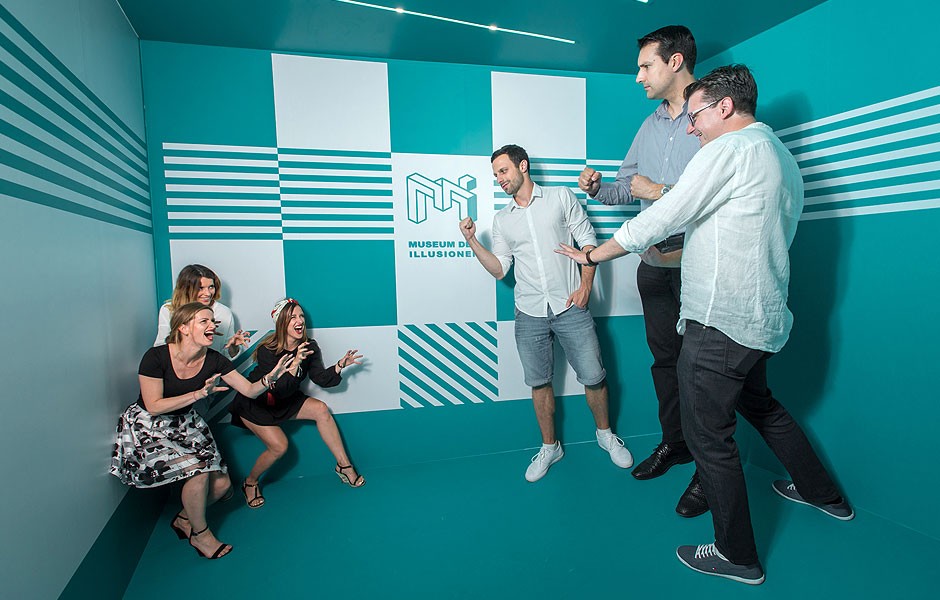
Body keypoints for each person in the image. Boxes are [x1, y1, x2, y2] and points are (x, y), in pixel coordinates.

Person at [556, 65, 853, 585]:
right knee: (761, 405)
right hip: (760, 318)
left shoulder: (728, 149)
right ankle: (822, 494)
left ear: (725, 107)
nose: (690, 128)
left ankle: (737, 556)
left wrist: (593, 254)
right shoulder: (779, 154)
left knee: (707, 435)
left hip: (720, 322)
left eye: (695, 116)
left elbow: (665, 213)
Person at [578, 25, 706, 517]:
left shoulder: (713, 114)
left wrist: (658, 191)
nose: (638, 77)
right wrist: (597, 189)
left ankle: (707, 468)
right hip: (653, 264)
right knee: (665, 362)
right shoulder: (649, 125)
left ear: (675, 62)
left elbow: (713, 196)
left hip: (698, 265)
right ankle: (676, 444)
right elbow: (626, 187)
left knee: (702, 370)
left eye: (645, 66)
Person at [459, 144, 633, 483]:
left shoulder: (560, 197)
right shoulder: (502, 219)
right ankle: (550, 447)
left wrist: (585, 288)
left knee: (594, 377)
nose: (499, 179)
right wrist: (472, 241)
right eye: (495, 175)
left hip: (570, 305)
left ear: (522, 166)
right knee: (539, 384)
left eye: (503, 171)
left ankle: (605, 435)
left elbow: (588, 242)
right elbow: (500, 269)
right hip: (529, 312)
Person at [110, 302, 292, 559]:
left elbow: (250, 390)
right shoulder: (156, 357)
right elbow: (154, 405)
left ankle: (185, 519)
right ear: (183, 327)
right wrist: (197, 394)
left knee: (222, 486)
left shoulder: (215, 360)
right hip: (150, 424)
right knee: (198, 471)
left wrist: (271, 377)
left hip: (186, 422)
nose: (212, 326)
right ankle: (201, 535)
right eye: (204, 321)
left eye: (213, 322)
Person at [230, 298, 366, 508]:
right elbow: (278, 388)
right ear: (281, 322)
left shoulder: (309, 346)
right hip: (257, 403)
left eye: (301, 316)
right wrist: (295, 363)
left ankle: (344, 465)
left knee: (321, 410)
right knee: (279, 447)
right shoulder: (267, 349)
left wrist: (340, 365)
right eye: (292, 317)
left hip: (285, 400)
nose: (299, 321)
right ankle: (250, 482)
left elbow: (320, 378)